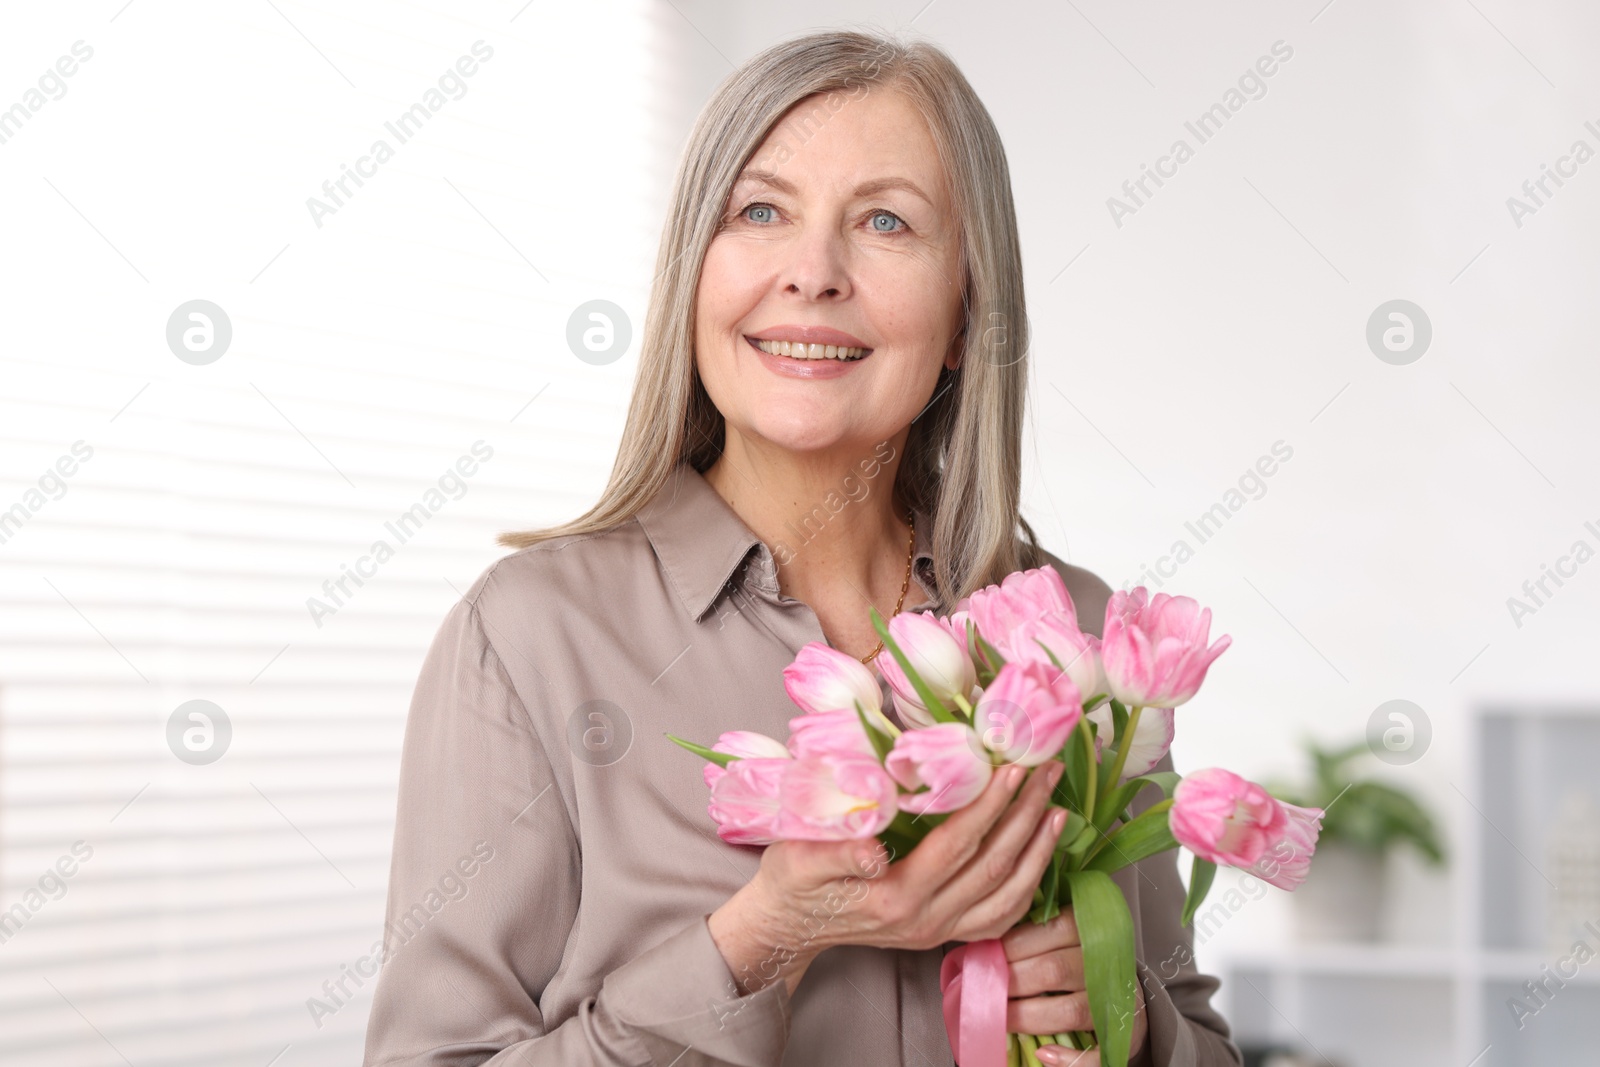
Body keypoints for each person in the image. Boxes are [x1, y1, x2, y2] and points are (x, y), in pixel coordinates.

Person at [362, 29, 1242, 1067]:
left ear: (966, 312)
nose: (813, 273)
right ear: (695, 272)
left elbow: (1198, 1038)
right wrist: (762, 936)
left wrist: (1123, 1013)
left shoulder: (1080, 638)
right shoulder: (528, 636)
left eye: (884, 221)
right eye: (760, 211)